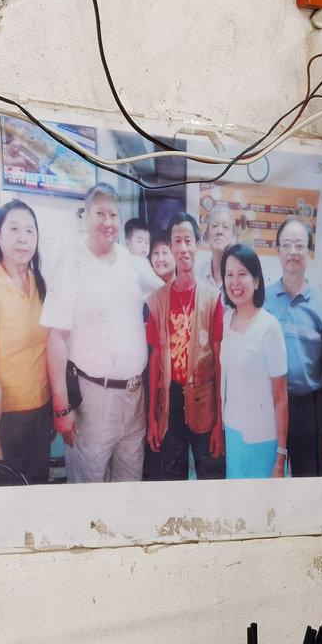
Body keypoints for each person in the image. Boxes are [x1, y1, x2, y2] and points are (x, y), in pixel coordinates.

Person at [41, 183, 163, 483]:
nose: (107, 222)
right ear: (86, 217)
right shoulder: (71, 263)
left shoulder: (132, 262)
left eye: (113, 214)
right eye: (100, 213)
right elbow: (56, 337)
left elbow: (167, 296)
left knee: (127, 488)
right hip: (93, 402)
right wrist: (61, 409)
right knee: (89, 492)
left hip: (135, 400)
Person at [0, 200, 51, 484]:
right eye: (14, 228)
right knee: (10, 500)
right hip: (6, 419)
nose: (22, 237)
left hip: (41, 412)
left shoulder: (39, 282)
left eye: (30, 230)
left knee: (38, 490)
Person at [145, 213, 225, 480]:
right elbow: (155, 358)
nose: (182, 248)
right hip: (170, 403)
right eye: (176, 241)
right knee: (172, 482)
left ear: (197, 245)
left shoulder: (213, 299)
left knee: (210, 481)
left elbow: (220, 362)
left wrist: (220, 423)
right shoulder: (157, 300)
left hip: (205, 403)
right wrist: (152, 418)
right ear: (170, 246)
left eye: (187, 240)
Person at [264, 218, 322, 477]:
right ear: (278, 251)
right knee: (267, 484)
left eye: (300, 245)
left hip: (310, 411)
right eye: (287, 245)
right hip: (268, 408)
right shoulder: (263, 302)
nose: (293, 252)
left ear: (309, 252)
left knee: (307, 485)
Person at [219, 244, 289, 479]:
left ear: (256, 281)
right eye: (229, 274)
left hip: (261, 440)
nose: (235, 282)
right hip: (232, 432)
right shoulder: (226, 319)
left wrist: (281, 458)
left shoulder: (270, 328)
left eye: (242, 274)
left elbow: (280, 398)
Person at [198, 204, 238, 296]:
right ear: (207, 235)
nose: (219, 231)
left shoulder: (240, 277)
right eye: (215, 226)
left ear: (234, 238)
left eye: (225, 227)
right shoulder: (197, 275)